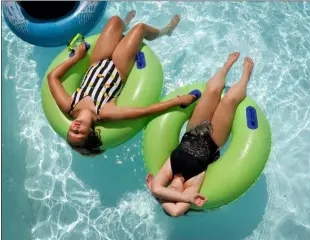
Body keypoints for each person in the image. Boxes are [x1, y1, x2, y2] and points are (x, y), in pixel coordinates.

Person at [47, 11, 199, 156]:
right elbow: (144, 111)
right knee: (140, 28)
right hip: (119, 68)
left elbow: (52, 77)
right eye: (79, 133)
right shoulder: (104, 112)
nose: (75, 128)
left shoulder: (69, 106)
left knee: (114, 20)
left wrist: (77, 58)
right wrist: (179, 100)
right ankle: (165, 31)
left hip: (97, 62)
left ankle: (124, 24)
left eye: (71, 131)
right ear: (91, 132)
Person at [146, 52, 254, 217]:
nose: (173, 193)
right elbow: (175, 212)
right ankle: (246, 75)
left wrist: (158, 195)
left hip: (193, 130)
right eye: (177, 198)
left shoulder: (169, 170)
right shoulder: (192, 186)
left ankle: (226, 66)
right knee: (230, 99)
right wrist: (186, 198)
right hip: (213, 139)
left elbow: (156, 188)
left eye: (170, 195)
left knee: (212, 89)